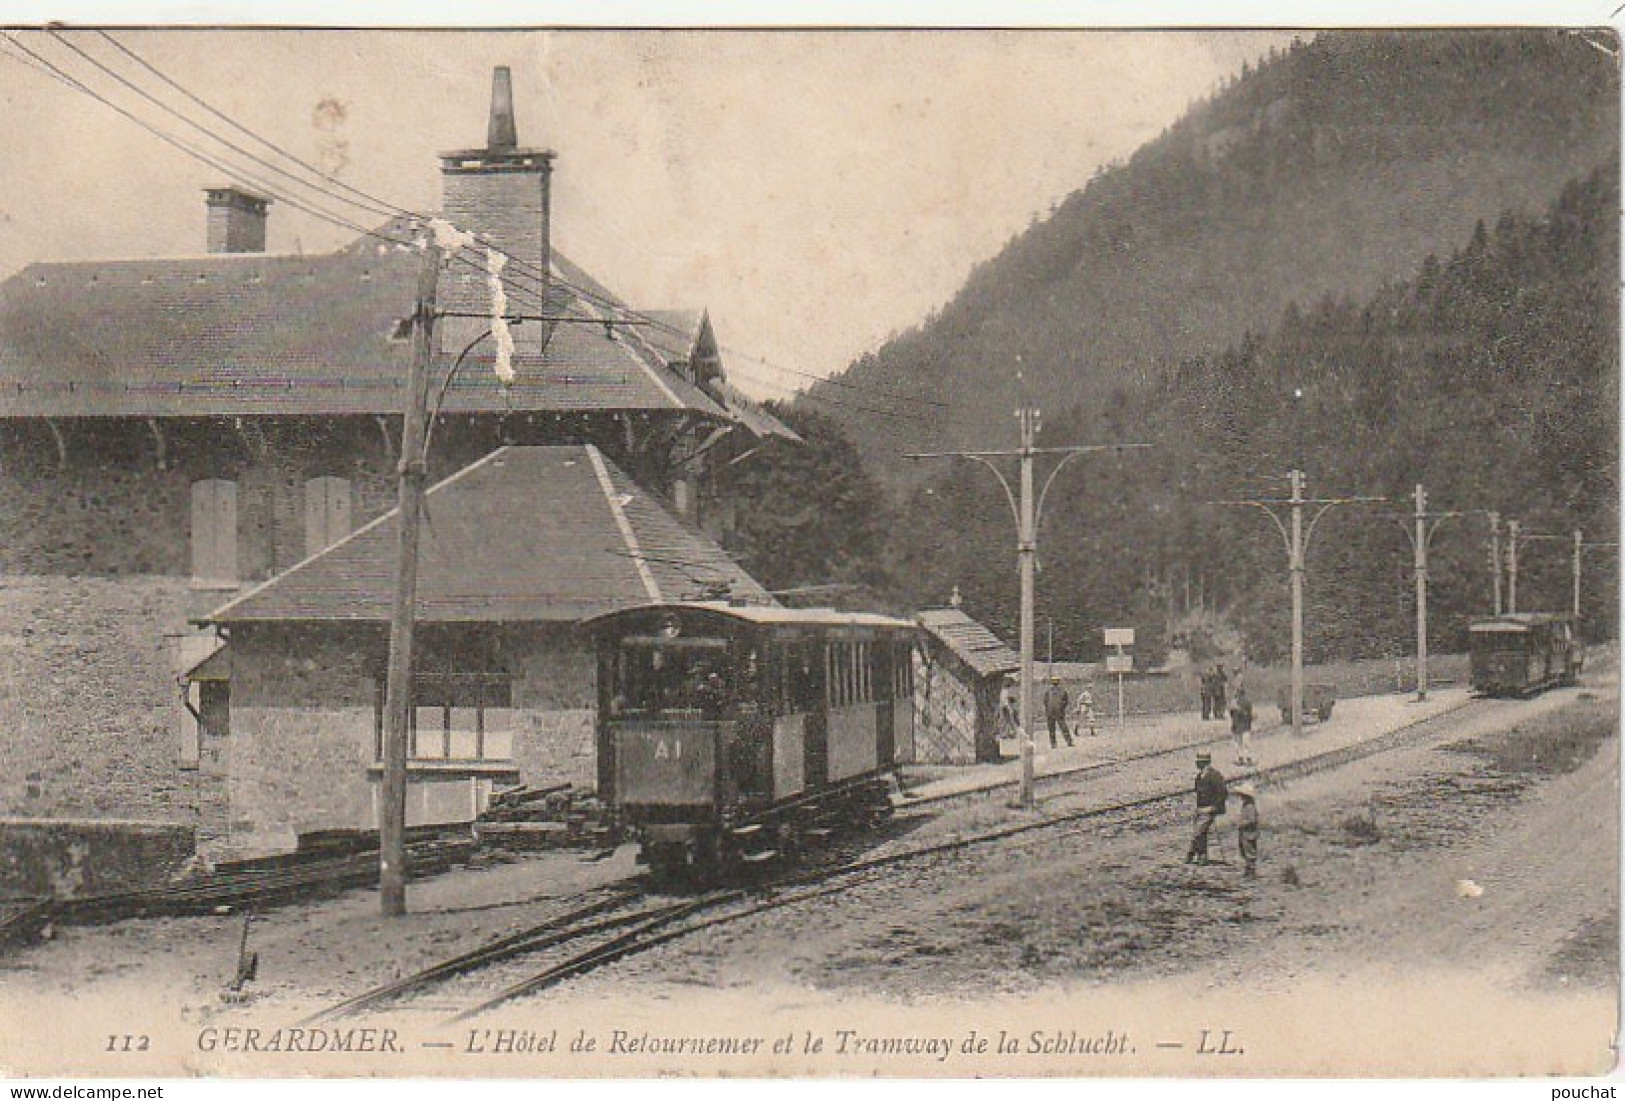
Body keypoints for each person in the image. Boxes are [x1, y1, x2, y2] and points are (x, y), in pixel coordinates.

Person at [1184, 751, 1228, 865]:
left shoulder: (1215, 775)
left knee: (1197, 833)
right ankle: (1202, 856)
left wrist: (1213, 807)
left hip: (1209, 810)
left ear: (1204, 762)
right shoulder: (1199, 776)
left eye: (1198, 762)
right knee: (1201, 833)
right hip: (1200, 809)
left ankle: (1190, 853)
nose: (1196, 764)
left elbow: (1223, 793)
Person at [1233, 782, 1260, 878]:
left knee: (1250, 852)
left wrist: (1242, 823)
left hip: (1249, 833)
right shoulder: (1246, 805)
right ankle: (1248, 870)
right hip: (1245, 832)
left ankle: (1251, 871)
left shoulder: (1250, 806)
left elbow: (1252, 820)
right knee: (1244, 850)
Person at [1043, 676, 1073, 748]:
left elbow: (1066, 701)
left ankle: (1068, 741)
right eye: (1054, 681)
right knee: (1051, 728)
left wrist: (1062, 708)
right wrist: (1048, 709)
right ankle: (1053, 743)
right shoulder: (1048, 691)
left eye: (1056, 681)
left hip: (1059, 712)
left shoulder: (1063, 691)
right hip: (1051, 712)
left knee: (1063, 727)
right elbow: (1045, 701)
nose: (1055, 683)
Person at [1229, 684, 1255, 765]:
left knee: (1238, 743)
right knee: (1246, 743)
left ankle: (1240, 758)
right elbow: (1251, 714)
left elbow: (1231, 714)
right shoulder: (1248, 702)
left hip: (1237, 726)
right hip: (1246, 725)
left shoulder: (1234, 703)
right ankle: (1248, 758)